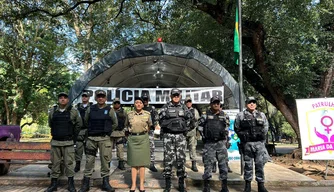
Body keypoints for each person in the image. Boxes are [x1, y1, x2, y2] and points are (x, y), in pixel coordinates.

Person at [79, 90, 118, 192]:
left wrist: (107, 131)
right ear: (96, 98)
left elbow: (115, 123)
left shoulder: (110, 110)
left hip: (104, 139)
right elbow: (86, 121)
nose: (100, 98)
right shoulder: (90, 109)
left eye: (102, 96)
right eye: (99, 96)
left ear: (105, 98)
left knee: (105, 161)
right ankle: (86, 184)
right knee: (89, 161)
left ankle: (105, 183)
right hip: (91, 139)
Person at [46, 92, 82, 192]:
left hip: (68, 142)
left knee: (69, 164)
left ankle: (71, 185)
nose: (62, 99)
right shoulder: (53, 110)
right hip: (56, 142)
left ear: (68, 100)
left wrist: (72, 136)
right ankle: (53, 185)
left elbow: (79, 125)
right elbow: (50, 123)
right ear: (58, 100)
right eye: (60, 97)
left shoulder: (74, 111)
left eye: (65, 98)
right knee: (55, 164)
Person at [159, 88, 193, 192]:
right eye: (174, 95)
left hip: (180, 137)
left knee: (181, 160)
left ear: (180, 96)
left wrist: (185, 129)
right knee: (168, 160)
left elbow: (191, 120)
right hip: (168, 136)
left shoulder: (184, 107)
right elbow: (160, 121)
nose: (176, 97)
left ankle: (181, 184)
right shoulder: (165, 107)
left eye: (177, 95)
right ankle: (168, 185)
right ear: (171, 96)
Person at [234, 96, 269, 192]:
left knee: (260, 164)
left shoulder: (261, 115)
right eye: (250, 102)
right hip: (247, 144)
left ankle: (261, 185)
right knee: (248, 165)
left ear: (256, 104)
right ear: (246, 104)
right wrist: (243, 135)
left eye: (254, 102)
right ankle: (247, 185)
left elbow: (266, 127)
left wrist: (261, 135)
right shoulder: (240, 115)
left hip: (259, 144)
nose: (252, 104)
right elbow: (237, 128)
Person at [198, 96, 230, 192]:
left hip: (221, 143)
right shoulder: (205, 116)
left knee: (223, 164)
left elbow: (227, 127)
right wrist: (204, 137)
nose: (216, 104)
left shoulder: (224, 115)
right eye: (214, 103)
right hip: (209, 143)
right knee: (208, 164)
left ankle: (224, 186)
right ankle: (206, 186)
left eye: (218, 103)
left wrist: (225, 138)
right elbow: (199, 128)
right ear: (211, 104)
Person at [126, 97, 152, 192]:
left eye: (140, 103)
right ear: (134, 104)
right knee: (133, 163)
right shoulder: (129, 114)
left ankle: (141, 184)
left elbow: (150, 125)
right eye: (136, 102)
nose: (138, 104)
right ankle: (133, 184)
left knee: (142, 163)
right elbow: (126, 125)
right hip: (133, 139)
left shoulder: (147, 114)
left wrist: (143, 133)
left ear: (143, 104)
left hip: (143, 139)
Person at [74, 92, 92, 173]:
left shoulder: (92, 107)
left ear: (89, 98)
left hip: (89, 131)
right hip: (80, 130)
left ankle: (89, 167)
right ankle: (77, 165)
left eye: (86, 96)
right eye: (83, 96)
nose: (84, 98)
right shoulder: (77, 107)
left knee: (89, 150)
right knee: (78, 149)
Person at [142, 94, 159, 172]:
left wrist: (154, 125)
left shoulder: (152, 108)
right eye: (144, 99)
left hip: (150, 131)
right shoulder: (139, 107)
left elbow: (156, 118)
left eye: (146, 99)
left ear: (148, 99)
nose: (145, 101)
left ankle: (151, 164)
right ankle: (141, 163)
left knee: (151, 147)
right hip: (141, 131)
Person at [111, 97, 127, 170]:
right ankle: (107, 163)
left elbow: (126, 122)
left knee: (120, 149)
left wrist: (125, 130)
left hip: (120, 133)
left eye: (118, 103)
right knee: (108, 149)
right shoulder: (110, 111)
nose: (117, 104)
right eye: (115, 103)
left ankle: (121, 163)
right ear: (113, 104)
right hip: (111, 133)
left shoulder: (123, 112)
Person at [184, 96, 200, 172]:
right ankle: (181, 164)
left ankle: (194, 164)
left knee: (193, 149)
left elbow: (198, 121)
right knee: (182, 149)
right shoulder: (182, 110)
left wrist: (197, 132)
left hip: (192, 133)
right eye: (187, 102)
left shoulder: (194, 111)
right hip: (183, 133)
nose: (189, 103)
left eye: (190, 101)